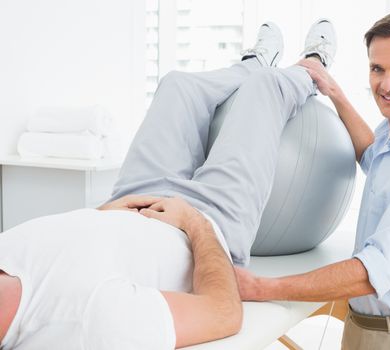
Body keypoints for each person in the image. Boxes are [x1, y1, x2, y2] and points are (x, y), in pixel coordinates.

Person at [0, 19, 337, 349]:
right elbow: (223, 313)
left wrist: (103, 211)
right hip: (204, 223)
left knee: (177, 84)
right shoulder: (87, 324)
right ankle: (313, 66)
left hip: (129, 199)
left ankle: (250, 64)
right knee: (266, 87)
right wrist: (193, 221)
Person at [235, 12, 390, 350]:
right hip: (364, 328)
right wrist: (334, 91)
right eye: (378, 69)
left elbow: (370, 272)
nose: (387, 84)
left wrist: (262, 288)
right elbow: (374, 158)